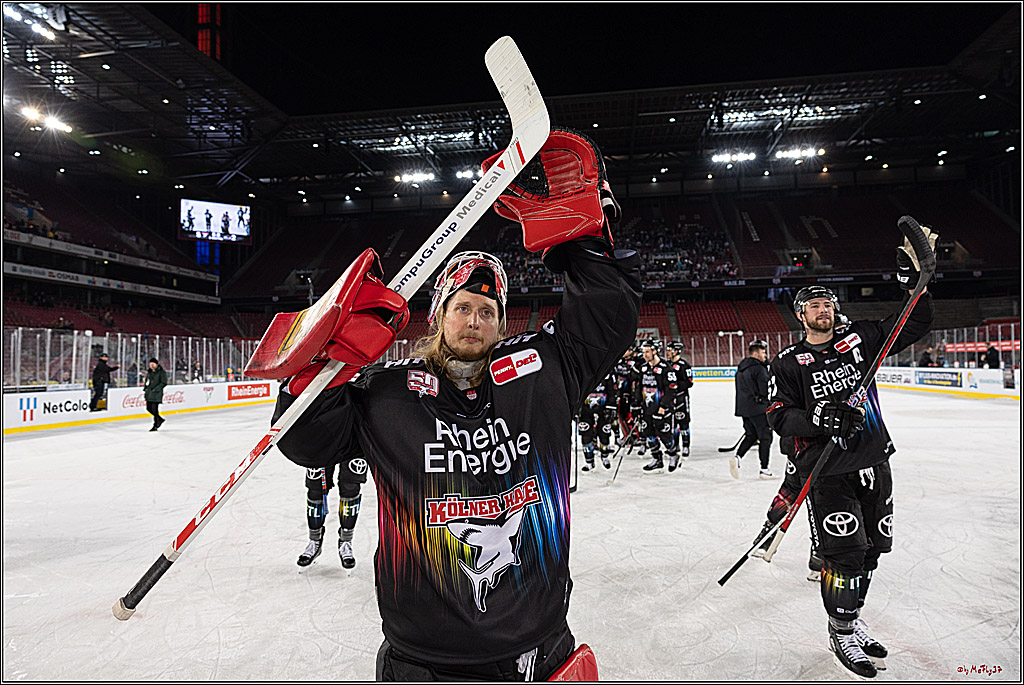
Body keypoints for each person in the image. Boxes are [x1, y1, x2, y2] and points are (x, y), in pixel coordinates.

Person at [270, 128, 640, 680]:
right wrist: (321, 368)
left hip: (539, 644)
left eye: (488, 310)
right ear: (438, 314)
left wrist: (581, 243)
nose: (475, 319)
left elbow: (608, 318)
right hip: (426, 658)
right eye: (463, 307)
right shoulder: (387, 390)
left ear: (502, 320)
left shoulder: (543, 369)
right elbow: (305, 441)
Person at [765, 225, 935, 680]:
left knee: (874, 550)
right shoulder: (787, 362)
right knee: (844, 556)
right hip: (829, 473)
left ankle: (852, 619)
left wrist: (912, 279)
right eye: (813, 305)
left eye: (827, 303)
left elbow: (915, 322)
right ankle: (840, 629)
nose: (823, 309)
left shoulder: (861, 339)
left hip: (875, 463)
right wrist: (818, 418)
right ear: (801, 316)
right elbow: (779, 415)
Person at [296, 454, 366, 570]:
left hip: (354, 440)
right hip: (324, 440)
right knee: (315, 486)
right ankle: (315, 540)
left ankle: (346, 541)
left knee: (350, 486)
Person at [730, 339, 775, 480]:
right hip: (759, 409)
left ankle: (738, 457)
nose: (766, 355)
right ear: (755, 354)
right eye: (763, 352)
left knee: (751, 435)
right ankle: (764, 469)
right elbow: (765, 390)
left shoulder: (742, 368)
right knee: (765, 437)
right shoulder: (759, 369)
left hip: (744, 409)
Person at [632, 339, 678, 473]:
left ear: (655, 351)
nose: (644, 355)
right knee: (649, 434)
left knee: (665, 435)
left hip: (661, 409)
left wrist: (663, 406)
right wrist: (636, 404)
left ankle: (673, 454)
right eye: (643, 352)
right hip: (647, 408)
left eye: (647, 352)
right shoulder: (644, 367)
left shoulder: (666, 368)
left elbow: (671, 389)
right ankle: (657, 459)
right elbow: (638, 387)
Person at [578, 372, 616, 472]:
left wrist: (611, 407)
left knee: (604, 434)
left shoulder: (607, 372)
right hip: (586, 409)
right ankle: (589, 461)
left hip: (603, 409)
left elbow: (612, 391)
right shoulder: (582, 372)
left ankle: (605, 456)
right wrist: (576, 407)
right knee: (586, 435)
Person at [665, 341, 694, 460]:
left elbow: (689, 382)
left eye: (669, 350)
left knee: (683, 422)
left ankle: (686, 445)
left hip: (681, 398)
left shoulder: (684, 365)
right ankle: (675, 445)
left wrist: (675, 385)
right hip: (670, 399)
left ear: (676, 351)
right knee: (673, 424)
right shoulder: (666, 365)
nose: (667, 353)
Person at [144, 357, 168, 431]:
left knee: (154, 409)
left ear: (156, 364)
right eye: (150, 364)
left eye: (153, 364)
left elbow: (164, 382)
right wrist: (145, 388)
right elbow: (147, 381)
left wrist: (156, 389)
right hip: (149, 393)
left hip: (156, 393)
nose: (151, 366)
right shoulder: (149, 372)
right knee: (148, 408)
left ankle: (155, 425)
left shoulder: (161, 372)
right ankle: (159, 419)